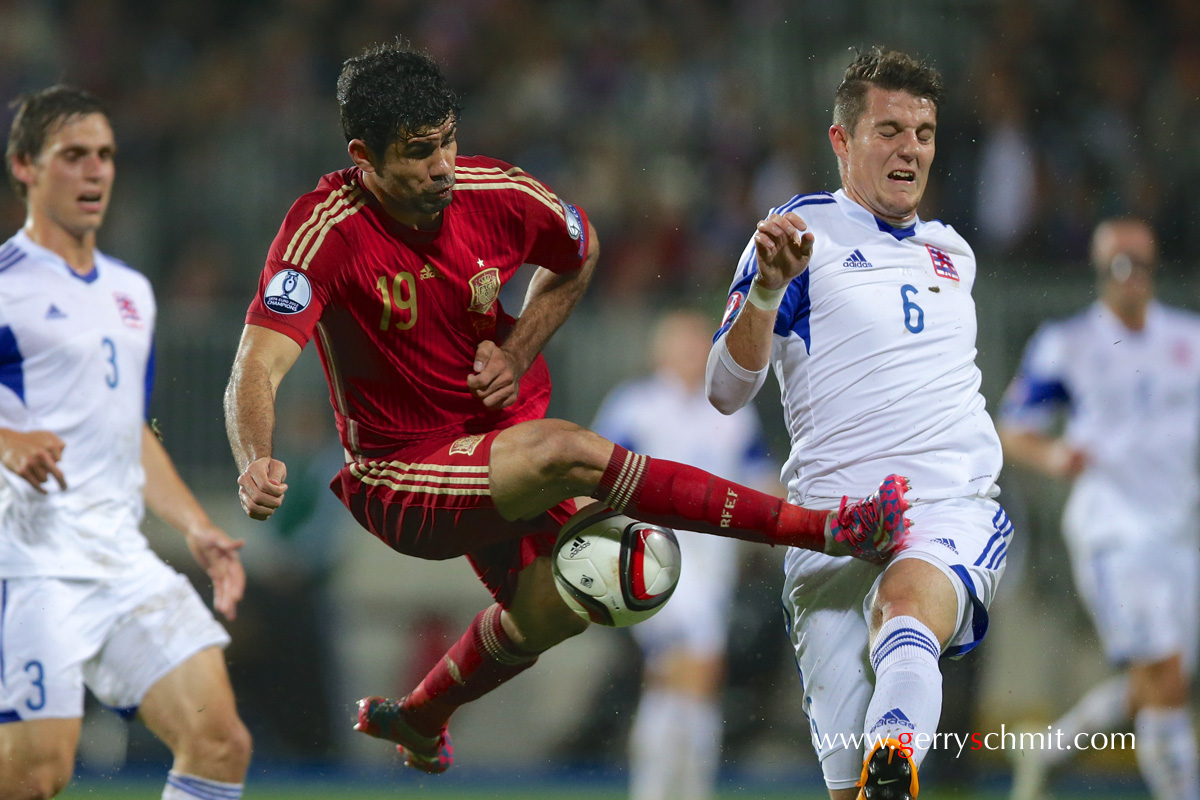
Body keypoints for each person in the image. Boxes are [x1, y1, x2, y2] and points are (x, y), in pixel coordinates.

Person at [222, 40, 910, 775]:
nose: (443, 166)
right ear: (364, 156)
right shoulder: (324, 229)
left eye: (448, 140)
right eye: (419, 153)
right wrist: (254, 457)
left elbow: (579, 250)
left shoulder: (497, 195)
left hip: (493, 441)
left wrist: (516, 351)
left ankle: (422, 717)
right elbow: (256, 364)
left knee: (576, 597)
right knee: (567, 452)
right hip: (400, 475)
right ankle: (825, 530)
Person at [706, 47, 1009, 800]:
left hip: (943, 508)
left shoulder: (954, 254)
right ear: (842, 141)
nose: (911, 148)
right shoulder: (799, 235)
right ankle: (882, 769)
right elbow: (723, 390)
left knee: (904, 603)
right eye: (890, 129)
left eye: (926, 132)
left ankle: (896, 750)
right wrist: (768, 293)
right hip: (830, 536)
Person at [0, 86, 251, 800]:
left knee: (219, 742)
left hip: (120, 561)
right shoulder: (6, 285)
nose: (95, 171)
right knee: (35, 776)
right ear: (24, 166)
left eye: (104, 156)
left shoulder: (132, 292)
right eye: (73, 155)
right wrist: (8, 439)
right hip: (30, 564)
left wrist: (198, 527)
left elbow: (128, 430)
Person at [999, 218, 1200, 800]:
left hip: (1179, 533)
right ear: (1100, 271)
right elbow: (1014, 428)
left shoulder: (1189, 339)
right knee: (1164, 673)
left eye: (1141, 263)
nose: (1131, 276)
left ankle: (1048, 752)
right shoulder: (1069, 342)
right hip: (1112, 530)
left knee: (1155, 681)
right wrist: (1055, 455)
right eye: (1119, 265)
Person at [591, 310, 780, 800]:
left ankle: (657, 789)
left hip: (712, 564)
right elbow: (596, 480)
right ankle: (687, 791)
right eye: (684, 344)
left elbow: (759, 476)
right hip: (651, 555)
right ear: (661, 351)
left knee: (673, 678)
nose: (694, 353)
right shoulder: (635, 406)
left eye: (700, 345)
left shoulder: (730, 413)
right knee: (699, 668)